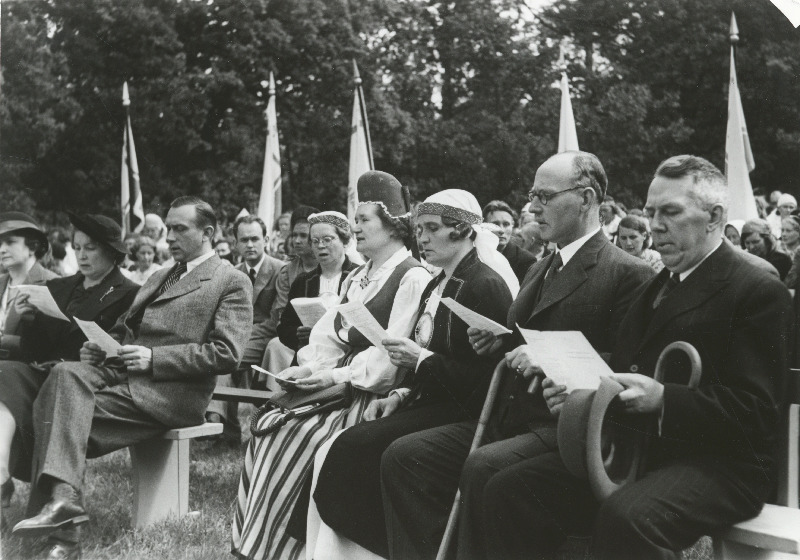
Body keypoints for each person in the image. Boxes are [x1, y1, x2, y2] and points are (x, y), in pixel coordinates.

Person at [475, 154, 792, 560]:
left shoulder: (756, 287)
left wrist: (663, 399)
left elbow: (757, 414)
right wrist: (580, 392)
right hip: (645, 450)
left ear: (714, 218)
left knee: (626, 517)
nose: (655, 224)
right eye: (651, 211)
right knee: (510, 489)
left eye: (671, 212)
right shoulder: (658, 284)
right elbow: (622, 370)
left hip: (723, 467)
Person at [379, 151, 654, 560]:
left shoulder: (627, 273)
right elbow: (524, 338)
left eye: (545, 195)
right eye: (532, 194)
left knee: (484, 468)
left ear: (586, 198)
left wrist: (546, 358)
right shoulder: (539, 269)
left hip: (563, 427)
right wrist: (501, 341)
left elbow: (626, 368)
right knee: (405, 458)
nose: (532, 206)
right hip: (510, 416)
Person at [11, 197, 252, 559]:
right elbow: (127, 333)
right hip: (124, 377)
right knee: (64, 373)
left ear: (208, 233)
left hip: (172, 394)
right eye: (167, 228)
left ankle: (63, 535)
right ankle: (62, 505)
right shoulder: (160, 275)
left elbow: (226, 352)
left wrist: (154, 358)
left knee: (52, 413)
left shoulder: (230, 281)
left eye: (179, 229)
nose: (169, 237)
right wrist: (102, 348)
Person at [231, 171, 431, 560]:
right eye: (355, 221)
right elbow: (326, 335)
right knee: (269, 426)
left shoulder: (412, 277)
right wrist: (305, 370)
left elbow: (388, 362)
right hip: (338, 385)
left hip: (368, 395)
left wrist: (330, 376)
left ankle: (296, 551)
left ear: (393, 226)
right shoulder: (357, 276)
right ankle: (262, 548)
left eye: (363, 221)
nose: (355, 228)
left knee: (294, 437)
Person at [309, 190, 517, 559]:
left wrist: (420, 360)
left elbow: (489, 382)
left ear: (464, 231)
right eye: (418, 228)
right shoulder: (437, 284)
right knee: (347, 447)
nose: (421, 238)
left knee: (364, 451)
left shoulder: (485, 285)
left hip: (470, 414)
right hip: (434, 403)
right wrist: (400, 395)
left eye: (432, 228)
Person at [0, 214, 139, 529]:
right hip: (47, 370)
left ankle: (50, 510)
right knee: (3, 371)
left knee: (51, 393)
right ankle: (1, 473)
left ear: (112, 251)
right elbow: (36, 350)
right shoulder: (60, 285)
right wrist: (27, 320)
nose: (82, 255)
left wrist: (99, 351)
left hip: (86, 379)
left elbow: (121, 347)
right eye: (77, 247)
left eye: (91, 248)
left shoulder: (129, 292)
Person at [206, 215, 285, 443]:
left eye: (255, 239)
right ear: (236, 244)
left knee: (223, 356)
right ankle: (224, 429)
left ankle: (215, 419)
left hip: (266, 340)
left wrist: (238, 338)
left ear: (266, 240)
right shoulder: (231, 273)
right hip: (237, 340)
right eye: (244, 240)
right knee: (218, 356)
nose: (250, 245)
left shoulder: (280, 270)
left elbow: (275, 319)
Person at [254, 206, 320, 388]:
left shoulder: (329, 268)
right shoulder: (287, 272)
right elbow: (282, 314)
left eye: (303, 236)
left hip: (324, 336)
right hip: (293, 336)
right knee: (276, 345)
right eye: (294, 235)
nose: (297, 241)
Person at [277, 212, 359, 356]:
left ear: (345, 242)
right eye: (315, 241)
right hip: (310, 357)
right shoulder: (303, 281)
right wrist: (299, 334)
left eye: (327, 239)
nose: (320, 246)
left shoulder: (359, 277)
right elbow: (284, 327)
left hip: (349, 359)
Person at [0, 213, 58, 345]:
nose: (2, 249)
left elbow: (53, 344)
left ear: (32, 247)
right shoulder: (1, 282)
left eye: (10, 242)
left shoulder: (53, 284)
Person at [482, 200, 537, 282]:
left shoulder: (526, 260)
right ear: (484, 225)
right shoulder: (477, 254)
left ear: (512, 225)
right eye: (495, 224)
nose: (501, 230)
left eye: (506, 224)